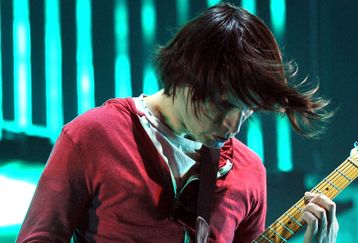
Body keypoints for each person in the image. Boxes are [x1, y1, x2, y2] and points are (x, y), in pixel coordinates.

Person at [17, 3, 338, 243]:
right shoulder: (92, 137)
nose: (234, 126)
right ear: (184, 78)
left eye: (248, 110)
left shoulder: (249, 171)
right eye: (224, 104)